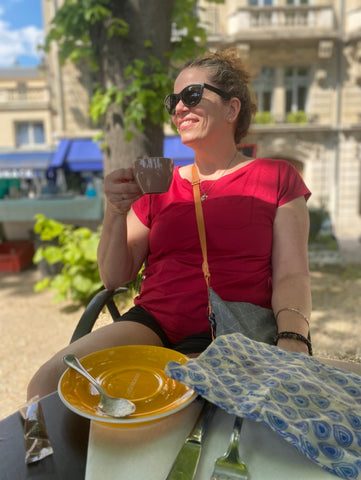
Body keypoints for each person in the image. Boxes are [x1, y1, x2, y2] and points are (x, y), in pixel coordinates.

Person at [27, 47, 313, 400]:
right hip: (155, 322)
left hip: (232, 329)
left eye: (191, 95)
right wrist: (114, 211)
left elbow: (292, 274)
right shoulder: (160, 185)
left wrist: (293, 338)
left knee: (180, 399)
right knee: (47, 385)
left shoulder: (275, 177)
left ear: (231, 108)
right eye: (172, 100)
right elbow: (114, 277)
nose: (178, 108)